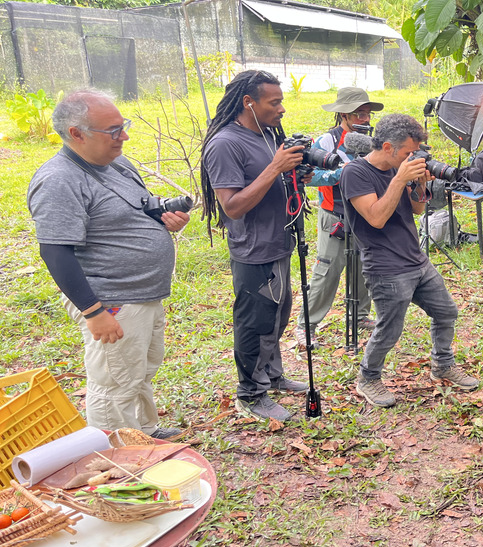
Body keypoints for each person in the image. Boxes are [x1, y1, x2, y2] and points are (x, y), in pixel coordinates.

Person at [27, 89, 190, 439]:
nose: (124, 137)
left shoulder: (116, 163)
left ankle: (144, 433)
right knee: (114, 383)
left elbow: (143, 204)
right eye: (113, 130)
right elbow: (55, 252)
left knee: (139, 370)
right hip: (111, 299)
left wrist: (165, 215)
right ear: (76, 133)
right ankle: (118, 460)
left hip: (142, 293)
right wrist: (93, 311)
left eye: (124, 126)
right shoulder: (59, 180)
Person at [340, 114, 479, 407]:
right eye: (407, 153)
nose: (411, 157)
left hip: (416, 260)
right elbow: (376, 218)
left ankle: (442, 363)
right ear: (388, 147)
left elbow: (417, 210)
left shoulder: (398, 168)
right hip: (385, 267)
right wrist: (400, 179)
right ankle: (368, 377)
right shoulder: (356, 173)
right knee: (389, 329)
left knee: (446, 312)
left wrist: (416, 184)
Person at [200, 70, 311, 422]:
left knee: (277, 316)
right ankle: (250, 394)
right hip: (253, 251)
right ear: (249, 102)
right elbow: (232, 205)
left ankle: (272, 375)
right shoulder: (225, 144)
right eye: (274, 102)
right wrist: (275, 168)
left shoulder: (265, 135)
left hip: (278, 242)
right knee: (255, 323)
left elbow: (272, 180)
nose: (281, 109)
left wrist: (294, 175)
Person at [299, 87, 384, 346]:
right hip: (335, 215)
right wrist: (342, 172)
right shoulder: (326, 142)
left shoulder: (374, 140)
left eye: (367, 113)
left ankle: (359, 315)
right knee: (327, 270)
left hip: (366, 214)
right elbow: (308, 176)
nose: (365, 119)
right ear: (344, 114)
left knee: (363, 267)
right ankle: (307, 324)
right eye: (359, 114)